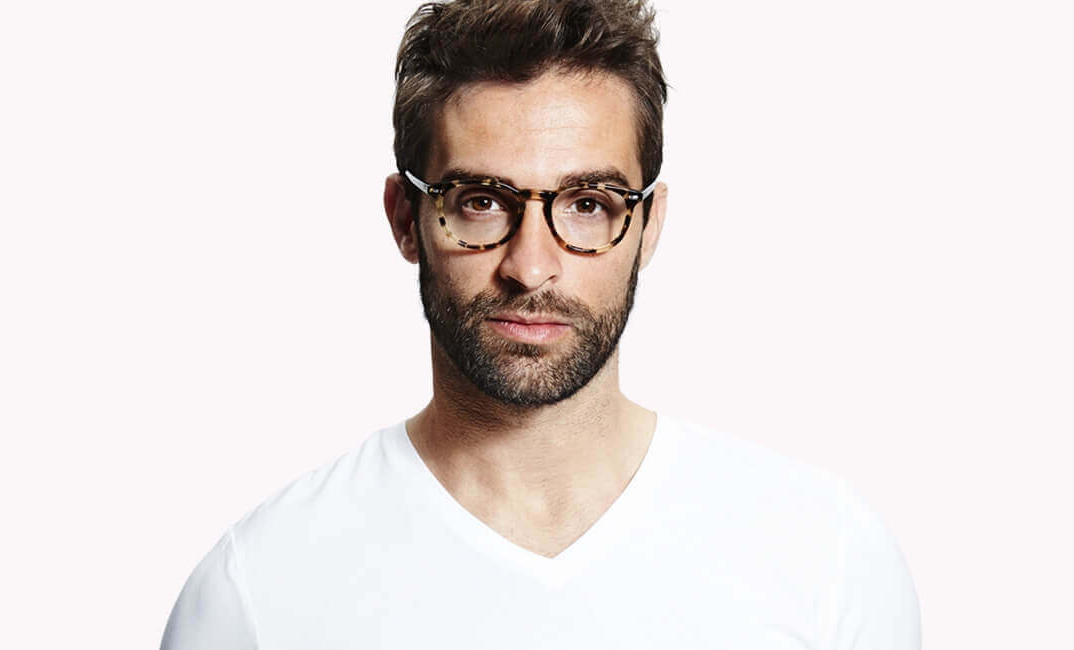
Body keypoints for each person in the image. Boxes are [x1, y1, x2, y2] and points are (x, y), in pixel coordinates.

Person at [159, 1, 920, 647]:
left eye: (588, 204)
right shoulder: (259, 593)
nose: (531, 267)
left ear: (649, 225)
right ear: (405, 218)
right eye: (481, 202)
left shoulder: (825, 562)